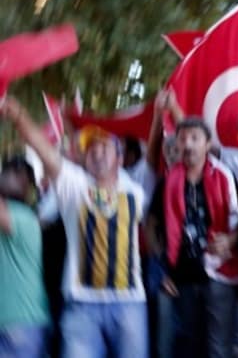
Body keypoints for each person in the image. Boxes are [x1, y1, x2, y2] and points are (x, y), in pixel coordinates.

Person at [2, 98, 148, 358]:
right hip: (81, 309)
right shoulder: (74, 186)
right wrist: (19, 114)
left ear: (120, 156)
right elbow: (44, 150)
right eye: (91, 149)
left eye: (104, 147)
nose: (97, 153)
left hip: (130, 305)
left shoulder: (137, 188)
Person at [159, 117, 238, 358]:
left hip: (219, 273)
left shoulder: (223, 175)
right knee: (192, 344)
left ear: (208, 144)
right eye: (183, 138)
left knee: (219, 347)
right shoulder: (169, 180)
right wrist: (165, 270)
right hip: (184, 276)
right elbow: (157, 227)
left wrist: (230, 240)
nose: (188, 144)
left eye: (195, 138)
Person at [0, 156, 49, 357]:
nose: (10, 175)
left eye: (18, 172)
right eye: (8, 170)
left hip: (21, 324)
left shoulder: (23, 217)